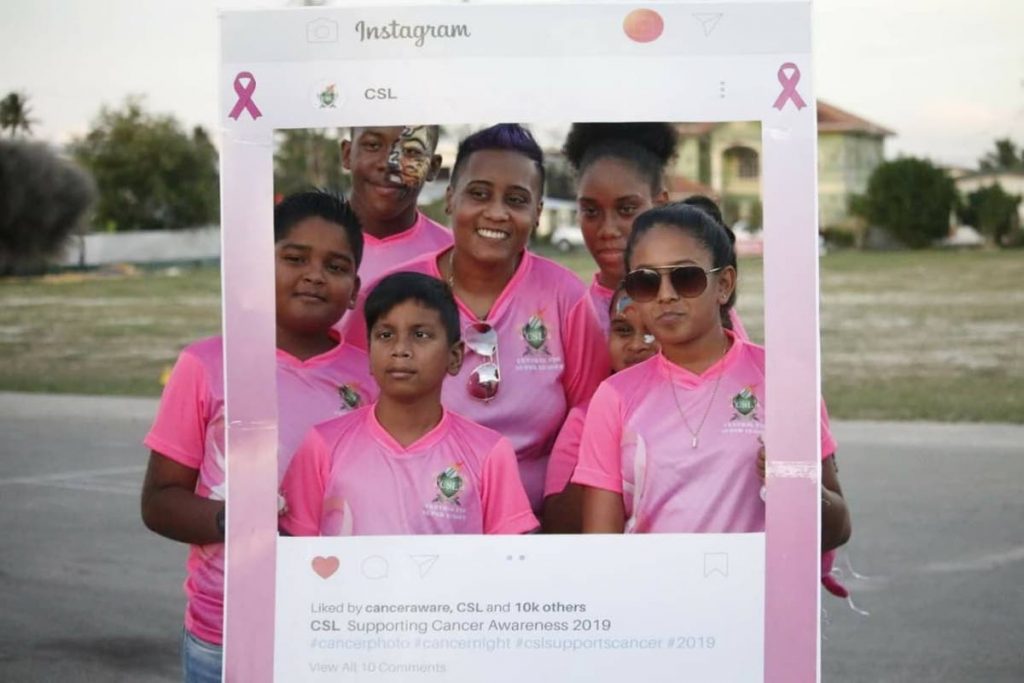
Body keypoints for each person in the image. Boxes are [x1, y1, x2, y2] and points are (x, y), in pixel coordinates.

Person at [140, 190, 377, 682]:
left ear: (355, 289)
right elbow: (160, 501)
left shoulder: (374, 378)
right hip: (224, 634)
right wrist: (238, 520)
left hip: (338, 629)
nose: (314, 275)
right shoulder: (206, 365)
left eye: (335, 266)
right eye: (294, 258)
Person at [346, 124, 609, 513]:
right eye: (479, 193)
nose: (496, 212)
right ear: (451, 198)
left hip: (534, 525)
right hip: (412, 520)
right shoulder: (392, 294)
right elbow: (353, 411)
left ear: (537, 213)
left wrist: (558, 514)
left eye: (517, 200)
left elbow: (589, 414)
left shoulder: (565, 296)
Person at [572, 203, 850, 549]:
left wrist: (799, 483)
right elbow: (601, 549)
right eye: (646, 282)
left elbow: (838, 530)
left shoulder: (782, 381)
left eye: (686, 278)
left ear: (724, 284)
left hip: (759, 598)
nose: (666, 295)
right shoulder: (614, 397)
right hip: (652, 598)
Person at [280, 272, 538, 536]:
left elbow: (509, 561)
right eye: (385, 335)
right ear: (368, 354)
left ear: (455, 357)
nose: (400, 349)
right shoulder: (323, 444)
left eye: (421, 335)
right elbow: (295, 553)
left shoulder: (489, 453)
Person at [563, 122, 747, 338]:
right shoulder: (571, 314)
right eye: (591, 211)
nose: (607, 230)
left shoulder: (699, 305)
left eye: (626, 209)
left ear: (660, 205)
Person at [542, 286, 659, 533]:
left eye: (651, 331)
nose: (637, 345)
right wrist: (603, 439)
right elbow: (557, 523)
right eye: (623, 331)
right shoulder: (584, 418)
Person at [341, 125, 452, 286]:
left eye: (411, 151)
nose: (389, 163)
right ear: (347, 154)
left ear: (432, 167)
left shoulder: (455, 255)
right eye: (373, 146)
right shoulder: (305, 243)